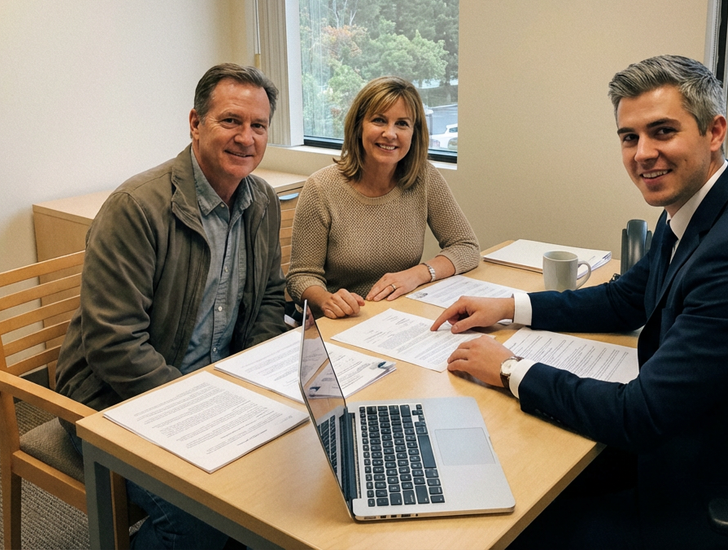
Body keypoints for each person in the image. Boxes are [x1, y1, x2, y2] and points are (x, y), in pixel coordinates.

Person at [431, 55, 728, 549]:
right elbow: (628, 297)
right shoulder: (695, 208)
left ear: (714, 132)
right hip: (695, 450)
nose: (643, 153)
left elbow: (640, 416)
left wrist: (510, 369)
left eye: (662, 131)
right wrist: (510, 307)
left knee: (519, 528)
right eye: (629, 137)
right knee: (516, 479)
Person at [56, 63, 289, 550]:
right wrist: (199, 404)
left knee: (285, 479)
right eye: (231, 120)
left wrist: (255, 381)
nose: (246, 138)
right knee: (201, 516)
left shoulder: (263, 201)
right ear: (195, 123)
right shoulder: (137, 207)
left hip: (217, 385)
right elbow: (114, 342)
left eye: (259, 125)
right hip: (111, 397)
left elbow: (269, 298)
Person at [287, 76, 480, 320]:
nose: (390, 133)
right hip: (341, 321)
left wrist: (417, 274)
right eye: (379, 120)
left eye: (402, 124)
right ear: (359, 125)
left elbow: (466, 247)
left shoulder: (424, 177)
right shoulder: (321, 187)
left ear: (414, 133)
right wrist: (327, 300)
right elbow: (301, 277)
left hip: (398, 316)